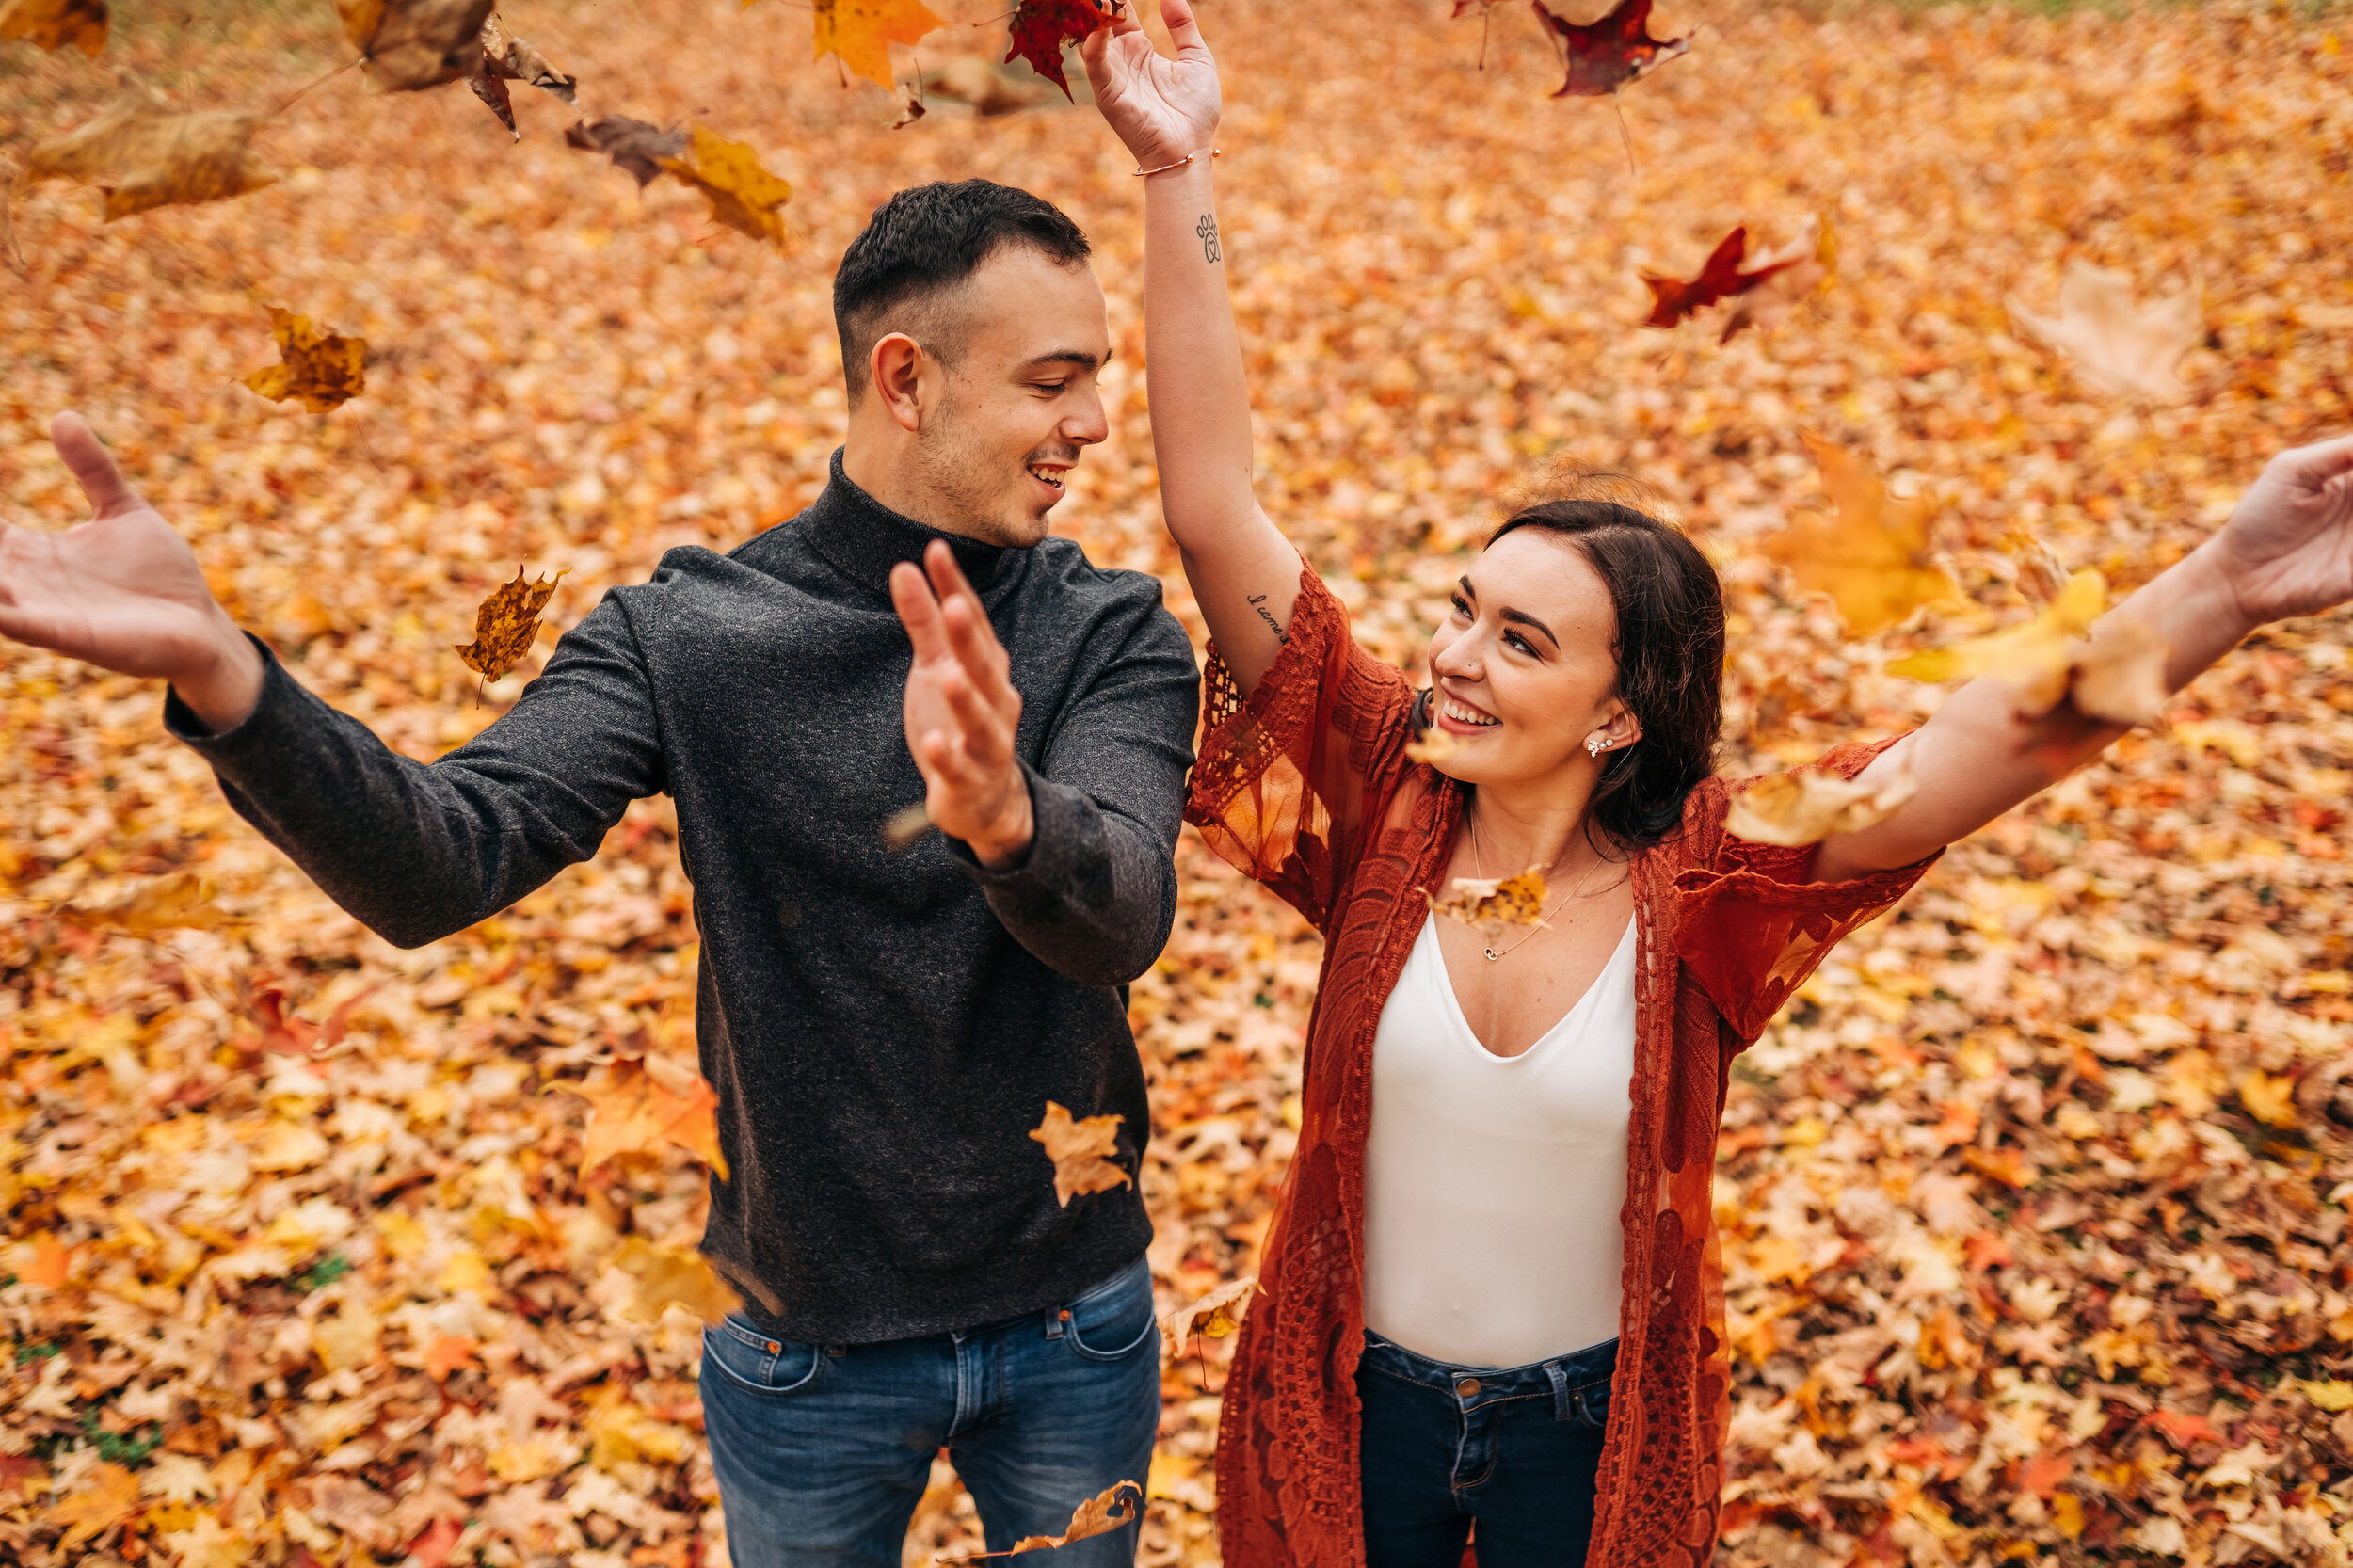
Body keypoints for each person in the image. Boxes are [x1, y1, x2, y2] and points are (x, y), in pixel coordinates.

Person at [1080, 6, 2353, 1565]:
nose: (1457, 655)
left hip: (1588, 1444)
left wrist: (2224, 579)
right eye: (1463, 607)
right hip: (1354, 1419)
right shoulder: (1390, 789)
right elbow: (1213, 507)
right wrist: (1180, 168)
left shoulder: (1719, 874)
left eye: (1521, 638)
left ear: (1621, 714)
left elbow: (1977, 749)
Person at [0, 180, 1197, 1568]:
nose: (1095, 425)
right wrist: (230, 676)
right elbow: (442, 861)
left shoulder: (1113, 629)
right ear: (905, 377)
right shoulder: (687, 636)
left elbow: (1124, 916)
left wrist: (1006, 816)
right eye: (1054, 381)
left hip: (1074, 1319)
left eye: (1097, 380)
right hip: (804, 1350)